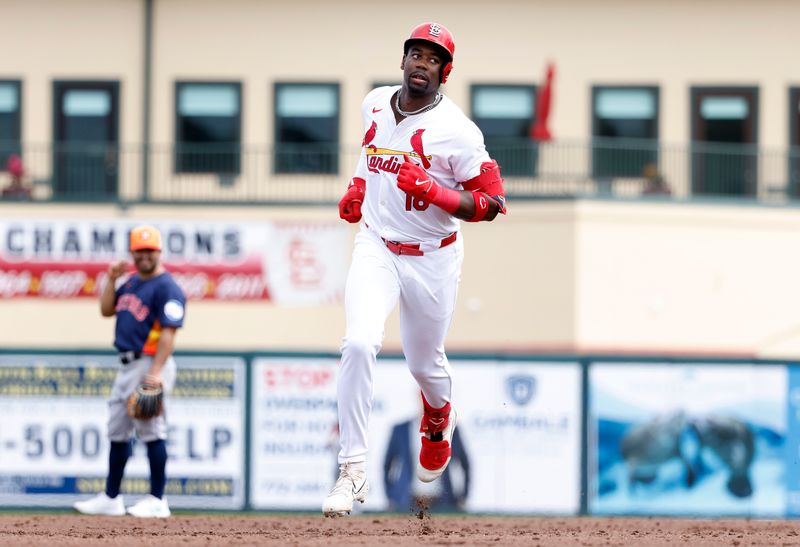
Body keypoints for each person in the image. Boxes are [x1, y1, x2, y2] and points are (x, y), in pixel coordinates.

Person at [322, 22, 506, 517]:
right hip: (377, 246)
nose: (421, 64)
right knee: (359, 342)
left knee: (425, 366)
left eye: (432, 58)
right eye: (415, 54)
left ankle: (437, 416)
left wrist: (436, 193)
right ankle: (352, 471)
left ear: (445, 71)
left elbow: (492, 202)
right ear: (402, 60)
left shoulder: (459, 131)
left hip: (433, 255)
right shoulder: (376, 102)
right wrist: (358, 189)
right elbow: (369, 153)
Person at [73, 225, 186, 518]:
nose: (145, 255)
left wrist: (156, 372)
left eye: (150, 250)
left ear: (159, 251)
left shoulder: (167, 287)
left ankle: (158, 499)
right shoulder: (132, 282)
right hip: (126, 364)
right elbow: (106, 309)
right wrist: (111, 279)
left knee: (151, 428)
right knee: (118, 429)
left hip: (150, 363)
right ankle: (111, 497)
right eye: (140, 250)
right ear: (132, 253)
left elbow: (169, 333)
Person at [383, 415, 470, 513]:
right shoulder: (401, 429)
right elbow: (387, 464)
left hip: (443, 502)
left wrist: (463, 497)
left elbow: (465, 464)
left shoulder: (450, 429)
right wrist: (391, 496)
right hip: (407, 502)